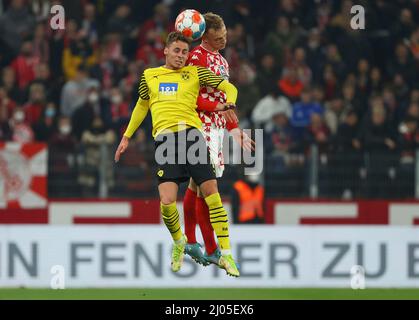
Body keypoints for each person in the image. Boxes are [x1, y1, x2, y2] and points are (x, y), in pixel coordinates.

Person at [114, 32, 240, 277]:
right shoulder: (150, 75)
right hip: (165, 140)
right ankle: (179, 241)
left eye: (184, 52)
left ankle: (226, 254)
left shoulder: (194, 72)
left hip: (192, 137)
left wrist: (230, 102)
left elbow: (227, 86)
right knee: (167, 201)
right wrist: (127, 136)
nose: (181, 56)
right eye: (177, 51)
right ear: (166, 51)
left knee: (212, 192)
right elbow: (142, 105)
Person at [183, 12, 255, 268]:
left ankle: (192, 242)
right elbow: (191, 98)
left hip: (216, 129)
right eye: (219, 34)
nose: (224, 37)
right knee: (206, 187)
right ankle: (210, 247)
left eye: (225, 33)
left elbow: (223, 104)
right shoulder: (195, 58)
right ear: (205, 35)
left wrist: (234, 129)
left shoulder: (222, 62)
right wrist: (218, 110)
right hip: (198, 126)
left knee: (196, 186)